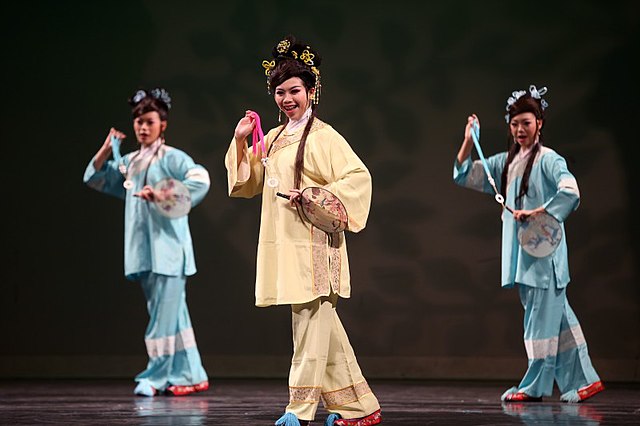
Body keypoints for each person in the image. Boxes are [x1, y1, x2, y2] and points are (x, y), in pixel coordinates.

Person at [225, 35, 382, 426]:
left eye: (295, 90)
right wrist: (242, 140)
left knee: (310, 326)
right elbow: (247, 183)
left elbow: (357, 179)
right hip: (286, 245)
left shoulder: (325, 137)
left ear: (312, 91)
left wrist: (313, 195)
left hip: (314, 246)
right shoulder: (274, 138)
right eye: (280, 92)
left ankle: (299, 409)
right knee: (321, 327)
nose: (287, 98)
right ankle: (361, 408)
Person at [453, 85, 604, 403]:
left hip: (543, 255)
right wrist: (470, 140)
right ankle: (585, 380)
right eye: (515, 124)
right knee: (558, 321)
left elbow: (570, 191)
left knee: (539, 322)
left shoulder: (549, 159)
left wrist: (538, 211)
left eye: (526, 122)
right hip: (525, 255)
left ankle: (534, 386)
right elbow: (464, 174)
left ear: (539, 124)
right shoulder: (507, 163)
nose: (520, 129)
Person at [83, 88, 210, 397]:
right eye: (138, 121)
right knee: (172, 315)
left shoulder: (173, 158)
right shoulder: (131, 162)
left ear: (162, 124)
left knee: (162, 320)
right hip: (142, 250)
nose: (142, 127)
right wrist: (105, 149)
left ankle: (155, 376)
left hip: (169, 251)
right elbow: (96, 178)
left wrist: (162, 194)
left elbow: (201, 180)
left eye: (149, 121)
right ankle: (192, 374)